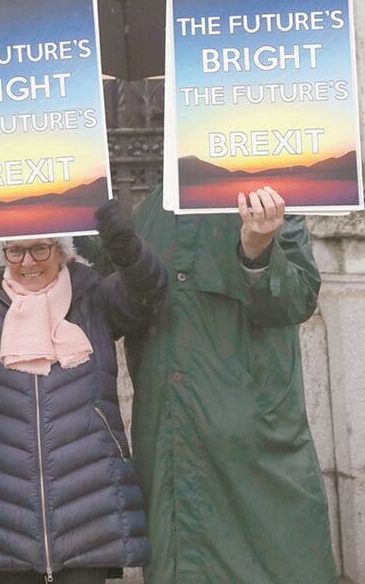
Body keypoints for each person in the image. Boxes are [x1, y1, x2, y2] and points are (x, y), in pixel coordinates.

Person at [0, 198, 166, 584]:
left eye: (40, 248)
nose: (28, 262)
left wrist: (125, 246)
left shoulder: (95, 301)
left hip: (90, 512)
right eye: (15, 250)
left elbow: (148, 290)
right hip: (4, 514)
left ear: (62, 250)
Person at [117, 185, 337, 583]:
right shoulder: (148, 210)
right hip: (169, 449)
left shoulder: (273, 199)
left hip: (257, 455)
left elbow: (297, 299)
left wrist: (258, 250)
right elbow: (99, 305)